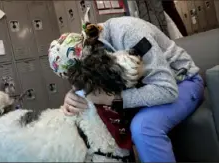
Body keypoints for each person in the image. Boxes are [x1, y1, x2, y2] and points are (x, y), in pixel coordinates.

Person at [51, 16, 204, 162]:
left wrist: (116, 99)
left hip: (183, 83)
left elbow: (167, 90)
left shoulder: (130, 33)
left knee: (143, 127)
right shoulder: (93, 48)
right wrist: (73, 95)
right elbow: (93, 79)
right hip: (149, 88)